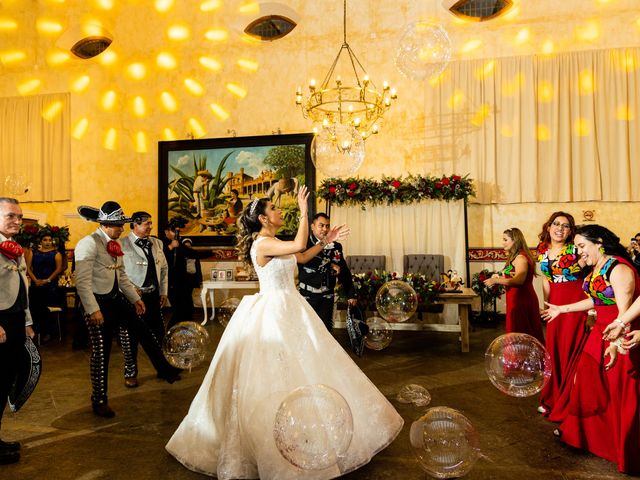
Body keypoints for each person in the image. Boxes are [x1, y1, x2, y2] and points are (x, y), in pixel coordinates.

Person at [166, 186, 403, 479]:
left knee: (309, 363)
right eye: (274, 209)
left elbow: (301, 257)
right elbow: (298, 244)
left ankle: (310, 422)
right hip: (274, 311)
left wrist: (324, 242)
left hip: (292, 306)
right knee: (276, 370)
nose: (279, 211)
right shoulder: (261, 245)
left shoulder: (273, 240)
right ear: (264, 219)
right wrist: (304, 212)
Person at [542, 224, 640, 474]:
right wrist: (560, 309)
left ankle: (620, 447)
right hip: (600, 332)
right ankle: (591, 438)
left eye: (582, 246)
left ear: (599, 242)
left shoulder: (618, 268)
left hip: (618, 334)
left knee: (616, 391)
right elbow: (596, 300)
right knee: (587, 383)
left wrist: (617, 343)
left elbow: (623, 311)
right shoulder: (598, 267)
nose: (578, 252)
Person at [75, 201, 146, 418]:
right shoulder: (88, 243)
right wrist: (93, 310)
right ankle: (99, 400)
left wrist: (134, 298)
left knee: (130, 337)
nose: (121, 229)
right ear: (105, 225)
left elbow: (121, 276)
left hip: (115, 302)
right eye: (117, 225)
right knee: (101, 353)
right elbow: (82, 282)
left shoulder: (115, 245)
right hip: (95, 305)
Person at [535, 212, 587, 421]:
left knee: (570, 348)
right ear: (548, 227)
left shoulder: (577, 249)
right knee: (554, 350)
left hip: (575, 302)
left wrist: (592, 309)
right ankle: (553, 397)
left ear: (570, 231)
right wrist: (546, 305)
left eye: (565, 226)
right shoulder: (542, 250)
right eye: (556, 224)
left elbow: (590, 276)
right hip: (554, 305)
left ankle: (570, 400)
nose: (560, 228)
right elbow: (547, 280)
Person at [120, 211, 181, 388]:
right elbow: (118, 272)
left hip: (153, 295)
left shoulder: (157, 243)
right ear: (135, 225)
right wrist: (131, 289)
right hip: (132, 297)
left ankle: (163, 369)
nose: (150, 226)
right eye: (147, 223)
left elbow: (163, 269)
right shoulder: (121, 244)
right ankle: (130, 373)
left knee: (159, 334)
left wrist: (163, 292)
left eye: (150, 223)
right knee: (130, 337)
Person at [0, 198, 35, 465]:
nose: (17, 221)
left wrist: (26, 321)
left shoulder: (16, 249)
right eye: (11, 216)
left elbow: (23, 288)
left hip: (14, 321)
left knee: (4, 382)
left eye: (19, 217)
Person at [297, 212, 357, 330]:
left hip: (327, 296)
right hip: (307, 296)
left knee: (326, 332)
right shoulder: (303, 244)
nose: (325, 229)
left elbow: (344, 270)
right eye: (321, 225)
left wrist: (350, 294)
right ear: (312, 226)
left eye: (327, 226)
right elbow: (303, 259)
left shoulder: (336, 246)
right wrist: (330, 264)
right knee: (307, 331)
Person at [484, 227, 544, 344]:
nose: (503, 242)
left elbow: (519, 281)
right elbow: (512, 275)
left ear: (515, 241)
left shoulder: (521, 258)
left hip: (521, 300)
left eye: (505, 239)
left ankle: (522, 361)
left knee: (521, 335)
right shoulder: (515, 256)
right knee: (516, 333)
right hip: (515, 300)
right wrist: (500, 276)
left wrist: (496, 281)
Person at [162, 225, 211, 328]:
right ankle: (169, 335)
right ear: (166, 232)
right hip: (170, 283)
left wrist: (212, 252)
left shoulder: (179, 245)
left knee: (188, 310)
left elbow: (193, 253)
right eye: (173, 231)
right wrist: (170, 247)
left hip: (182, 282)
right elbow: (159, 259)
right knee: (178, 311)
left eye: (177, 232)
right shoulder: (160, 243)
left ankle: (185, 334)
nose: (176, 234)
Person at [25, 231, 64, 342]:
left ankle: (48, 332)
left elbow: (58, 269)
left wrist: (47, 280)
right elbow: (27, 267)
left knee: (46, 309)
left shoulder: (56, 254)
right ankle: (35, 331)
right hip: (36, 284)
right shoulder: (33, 252)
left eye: (49, 240)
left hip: (50, 286)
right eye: (45, 240)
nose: (47, 242)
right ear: (41, 241)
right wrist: (35, 280)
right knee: (34, 308)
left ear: (52, 241)